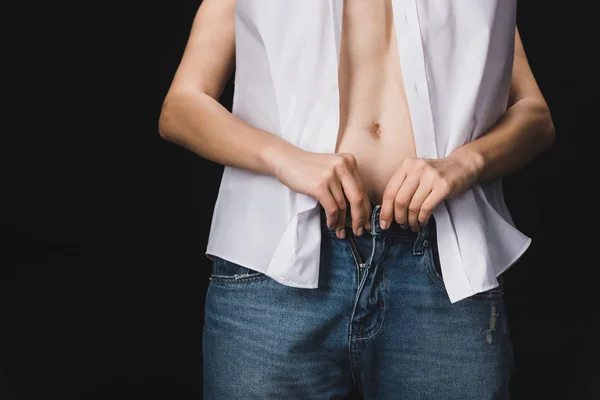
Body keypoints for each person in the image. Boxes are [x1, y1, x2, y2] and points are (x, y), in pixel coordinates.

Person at [158, 0, 555, 398]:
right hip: (275, 263)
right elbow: (181, 106)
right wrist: (284, 159)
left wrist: (465, 165)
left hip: (442, 261)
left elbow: (535, 115)